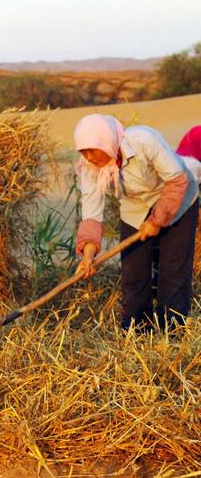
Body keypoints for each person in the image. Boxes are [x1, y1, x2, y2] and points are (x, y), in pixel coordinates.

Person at [74, 114, 199, 330]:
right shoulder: (89, 166)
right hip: (136, 209)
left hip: (177, 200)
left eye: (92, 150)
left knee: (172, 270)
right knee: (133, 272)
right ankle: (137, 329)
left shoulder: (144, 140)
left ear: (107, 141)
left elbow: (177, 180)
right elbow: (92, 212)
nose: (89, 157)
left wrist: (157, 220)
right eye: (83, 151)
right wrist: (88, 254)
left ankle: (172, 330)